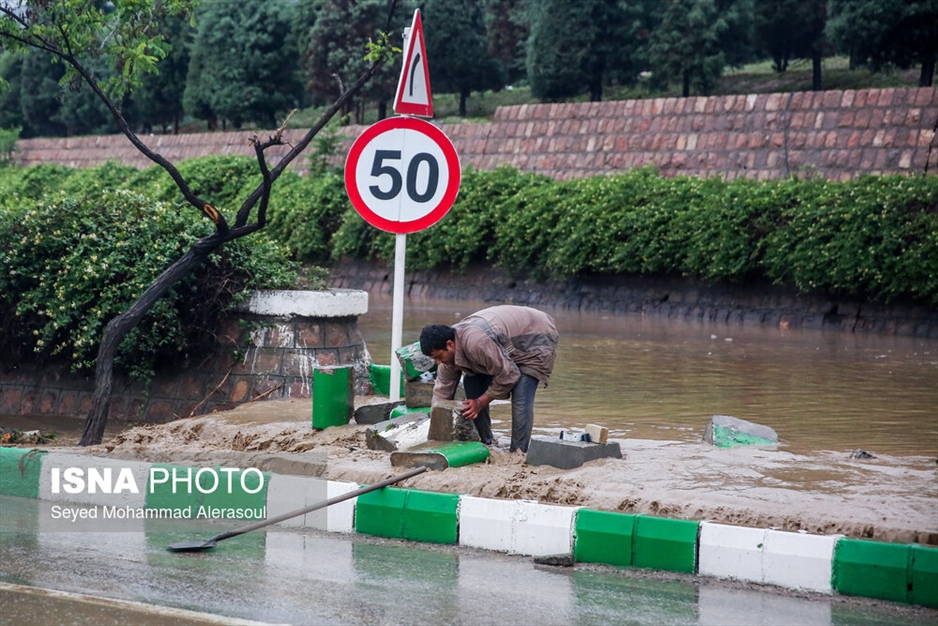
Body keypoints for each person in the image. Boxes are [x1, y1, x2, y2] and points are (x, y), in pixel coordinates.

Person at [419, 305, 559, 453]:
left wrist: (480, 402)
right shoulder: (448, 353)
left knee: (521, 393)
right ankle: (486, 443)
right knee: (472, 381)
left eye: (438, 357)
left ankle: (519, 452)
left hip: (536, 334)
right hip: (504, 342)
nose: (438, 363)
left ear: (450, 345)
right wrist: (433, 432)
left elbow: (509, 375)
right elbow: (442, 394)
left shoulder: (476, 342)